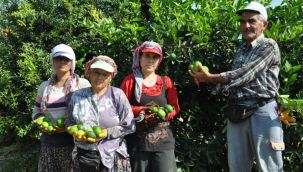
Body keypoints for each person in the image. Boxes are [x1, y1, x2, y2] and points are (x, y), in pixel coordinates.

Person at [189, 2, 284, 171]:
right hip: (237, 112)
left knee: (270, 167)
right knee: (237, 167)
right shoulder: (241, 49)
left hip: (262, 111)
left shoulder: (269, 45)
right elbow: (235, 82)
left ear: (264, 24)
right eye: (242, 21)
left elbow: (246, 74)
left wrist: (211, 78)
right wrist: (205, 80)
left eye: (252, 21)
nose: (246, 25)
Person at [67, 55, 135, 172]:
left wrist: (106, 133)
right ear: (90, 73)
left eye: (105, 74)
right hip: (83, 156)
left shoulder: (117, 95)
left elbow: (129, 125)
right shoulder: (77, 95)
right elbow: (69, 121)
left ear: (110, 78)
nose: (100, 77)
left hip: (112, 155)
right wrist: (74, 131)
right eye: (97, 72)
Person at [120, 41, 180, 172]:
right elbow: (121, 108)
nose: (150, 60)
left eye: (155, 57)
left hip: (164, 141)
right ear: (139, 57)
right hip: (138, 142)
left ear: (159, 61)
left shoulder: (166, 81)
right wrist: (142, 111)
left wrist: (163, 113)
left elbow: (174, 107)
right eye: (147, 56)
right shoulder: (130, 81)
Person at [32, 43, 91, 172]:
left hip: (74, 142)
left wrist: (69, 124)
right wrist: (40, 122)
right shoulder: (45, 87)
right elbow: (37, 110)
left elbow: (91, 112)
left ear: (72, 62)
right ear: (52, 61)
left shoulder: (82, 84)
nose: (62, 62)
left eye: (66, 59)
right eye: (58, 58)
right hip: (49, 143)